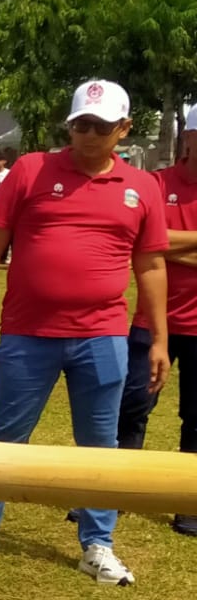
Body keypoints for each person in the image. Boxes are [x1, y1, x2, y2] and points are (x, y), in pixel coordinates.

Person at [0, 79, 168, 585]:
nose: (88, 135)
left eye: (101, 126)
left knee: (99, 446)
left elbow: (151, 266)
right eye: (80, 125)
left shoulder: (143, 188)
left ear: (124, 129)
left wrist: (159, 339)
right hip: (28, 332)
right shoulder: (31, 170)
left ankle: (98, 544)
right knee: (7, 437)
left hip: (104, 335)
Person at [112, 104, 197, 538]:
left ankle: (189, 501)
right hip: (154, 317)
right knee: (133, 406)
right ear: (188, 137)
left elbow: (157, 245)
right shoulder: (157, 183)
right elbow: (140, 246)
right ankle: (118, 492)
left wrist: (165, 244)